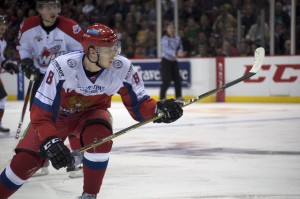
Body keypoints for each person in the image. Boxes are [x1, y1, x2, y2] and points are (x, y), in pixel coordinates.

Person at [0, 23, 183, 199]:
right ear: (92, 51)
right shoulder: (62, 66)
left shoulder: (122, 67)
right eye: (108, 49)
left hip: (92, 113)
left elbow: (139, 104)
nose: (114, 54)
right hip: (57, 117)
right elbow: (41, 112)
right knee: (25, 162)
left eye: (115, 47)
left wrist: (159, 110)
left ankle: (89, 195)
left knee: (100, 137)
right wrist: (50, 141)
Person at [16, 0, 83, 177]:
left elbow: (81, 52)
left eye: (54, 6)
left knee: (70, 118)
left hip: (65, 81)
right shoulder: (28, 26)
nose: (52, 10)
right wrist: (26, 62)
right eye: (47, 7)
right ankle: (42, 161)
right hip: (41, 79)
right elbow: (23, 48)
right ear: (40, 9)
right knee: (40, 120)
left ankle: (75, 161)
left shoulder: (71, 27)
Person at [0, 15, 19, 133]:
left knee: (2, 98)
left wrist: (7, 64)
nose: (2, 26)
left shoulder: (3, 41)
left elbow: (1, 58)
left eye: (3, 24)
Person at [159, 23, 185, 101]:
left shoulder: (177, 38)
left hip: (174, 61)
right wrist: (175, 53)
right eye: (169, 28)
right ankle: (162, 97)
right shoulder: (164, 39)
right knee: (166, 79)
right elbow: (165, 50)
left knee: (177, 79)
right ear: (167, 30)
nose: (171, 29)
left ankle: (178, 96)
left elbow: (180, 46)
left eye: (172, 28)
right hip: (166, 61)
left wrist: (180, 51)